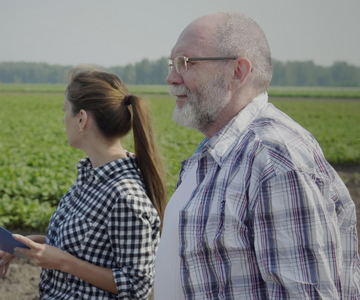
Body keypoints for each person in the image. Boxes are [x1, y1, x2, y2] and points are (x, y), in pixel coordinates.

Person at [154, 11, 360, 299]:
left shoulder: (275, 158)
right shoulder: (216, 151)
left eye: (185, 63)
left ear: (237, 71)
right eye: (172, 63)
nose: (171, 77)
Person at [0, 67, 166, 299]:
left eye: (65, 111)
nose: (63, 119)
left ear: (81, 119)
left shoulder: (125, 195)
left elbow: (136, 286)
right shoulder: (89, 177)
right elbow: (87, 249)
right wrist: (32, 243)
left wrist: (64, 262)